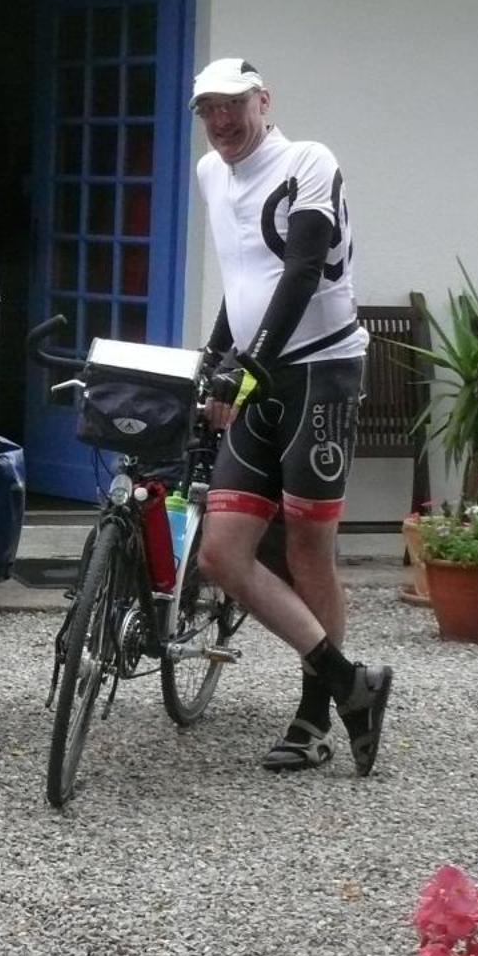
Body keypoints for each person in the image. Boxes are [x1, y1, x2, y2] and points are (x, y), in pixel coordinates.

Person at [187, 57, 392, 777]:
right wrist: (216, 358)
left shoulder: (308, 160)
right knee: (223, 551)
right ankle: (349, 683)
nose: (221, 122)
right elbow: (243, 277)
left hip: (322, 372)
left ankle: (311, 719)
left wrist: (252, 361)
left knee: (307, 549)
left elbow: (301, 269)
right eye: (207, 110)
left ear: (263, 101)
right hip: (259, 372)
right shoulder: (213, 174)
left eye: (233, 106)